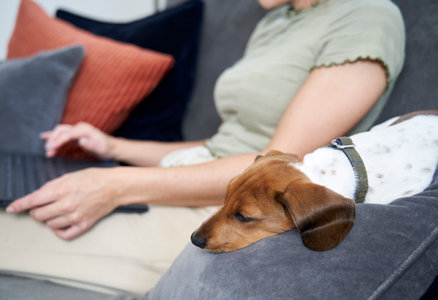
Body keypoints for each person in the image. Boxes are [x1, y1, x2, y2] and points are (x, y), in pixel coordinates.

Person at [1, 0, 405, 294]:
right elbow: (218, 146)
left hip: (227, 204)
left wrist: (116, 185)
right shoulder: (275, 21)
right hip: (200, 175)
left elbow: (276, 165)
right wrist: (112, 145)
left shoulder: (365, 15)